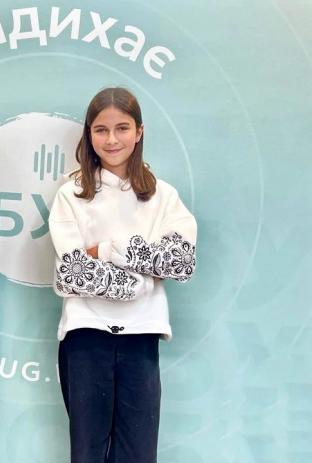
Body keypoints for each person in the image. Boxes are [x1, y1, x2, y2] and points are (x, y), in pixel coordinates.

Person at [48, 87, 197, 463]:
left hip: (141, 337)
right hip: (85, 336)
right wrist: (141, 280)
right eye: (101, 130)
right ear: (89, 134)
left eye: (122, 128)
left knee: (138, 453)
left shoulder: (164, 196)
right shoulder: (71, 195)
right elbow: (73, 273)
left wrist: (108, 249)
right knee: (88, 452)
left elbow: (180, 263)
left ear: (139, 131)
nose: (112, 139)